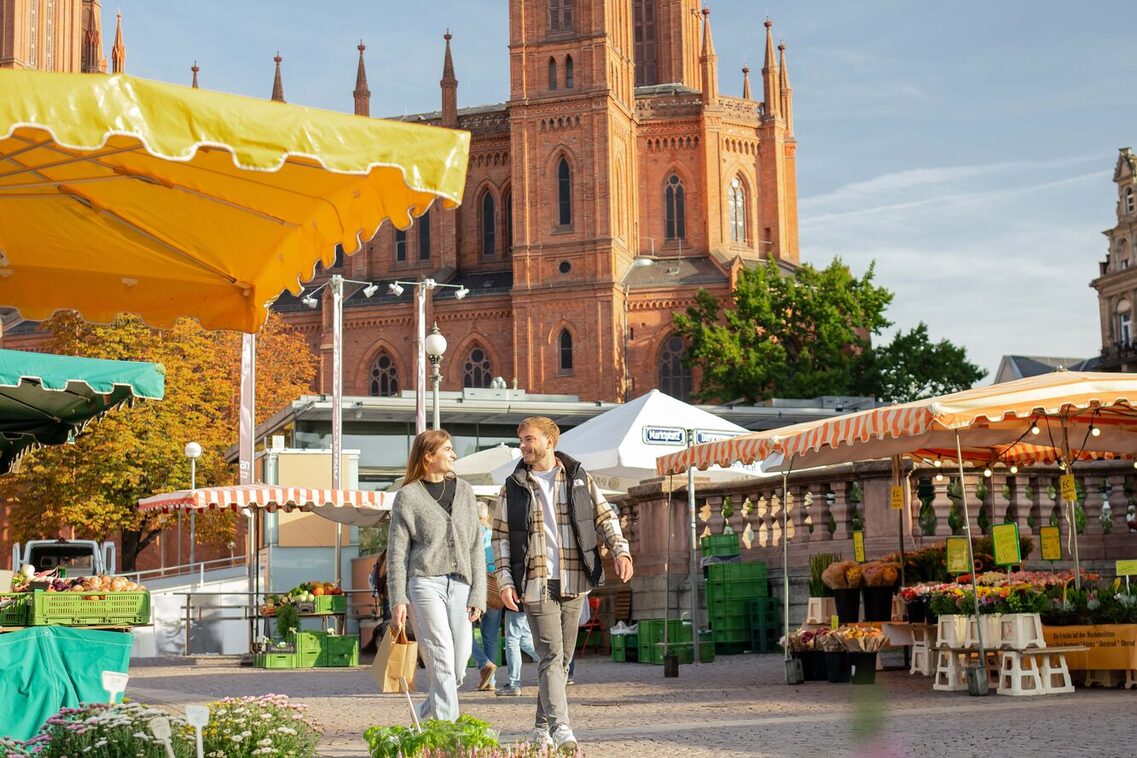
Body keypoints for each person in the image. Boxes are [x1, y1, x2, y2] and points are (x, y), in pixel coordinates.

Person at [493, 416, 633, 751]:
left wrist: (621, 551)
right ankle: (561, 728)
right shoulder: (512, 486)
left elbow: (604, 517)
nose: (523, 446)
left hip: (574, 577)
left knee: (563, 659)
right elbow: (500, 538)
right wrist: (504, 581)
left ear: (550, 441)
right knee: (551, 654)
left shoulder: (578, 478)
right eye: (521, 440)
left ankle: (541, 728)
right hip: (534, 582)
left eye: (529, 439)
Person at [387, 430, 486, 722]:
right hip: (425, 583)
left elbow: (475, 545)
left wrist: (478, 592)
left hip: (461, 585)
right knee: (440, 656)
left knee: (457, 666)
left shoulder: (465, 491)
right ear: (429, 456)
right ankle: (447, 737)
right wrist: (398, 599)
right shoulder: (407, 496)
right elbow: (397, 553)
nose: (454, 454)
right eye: (448, 449)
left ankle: (421, 722)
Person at [469, 501, 501, 691]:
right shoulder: (494, 536)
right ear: (487, 517)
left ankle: (483, 663)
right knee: (490, 637)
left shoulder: (471, 537)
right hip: (495, 590)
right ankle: (491, 681)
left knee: (464, 632)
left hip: (475, 590)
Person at [496, 607, 538, 696]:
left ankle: (513, 684)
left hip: (515, 602)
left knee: (512, 639)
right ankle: (554, 665)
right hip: (526, 603)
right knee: (525, 640)